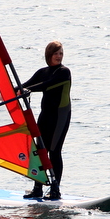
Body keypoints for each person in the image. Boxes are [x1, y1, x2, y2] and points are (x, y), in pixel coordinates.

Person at [19, 41, 71, 199]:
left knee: (54, 152)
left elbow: (47, 86)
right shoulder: (42, 71)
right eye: (56, 53)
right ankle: (37, 188)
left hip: (60, 116)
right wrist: (11, 91)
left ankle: (55, 189)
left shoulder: (64, 72)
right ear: (49, 55)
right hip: (45, 115)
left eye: (61, 53)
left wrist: (26, 90)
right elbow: (27, 84)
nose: (59, 56)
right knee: (40, 150)